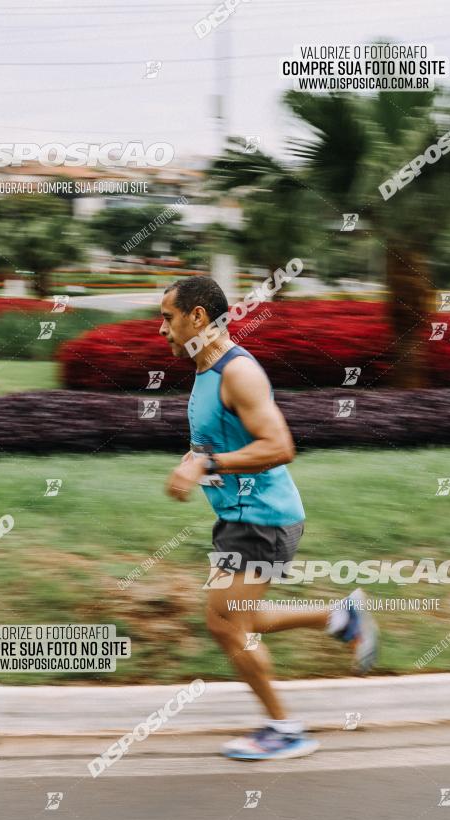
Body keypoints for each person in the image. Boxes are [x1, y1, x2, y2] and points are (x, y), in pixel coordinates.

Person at [160, 276, 378, 760]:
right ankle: (340, 616)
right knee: (238, 616)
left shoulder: (239, 372)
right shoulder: (204, 371)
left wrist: (208, 465)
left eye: (167, 317)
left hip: (264, 519)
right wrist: (191, 461)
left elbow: (280, 447)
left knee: (226, 623)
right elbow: (215, 442)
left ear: (198, 317)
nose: (162, 329)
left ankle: (284, 729)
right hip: (239, 519)